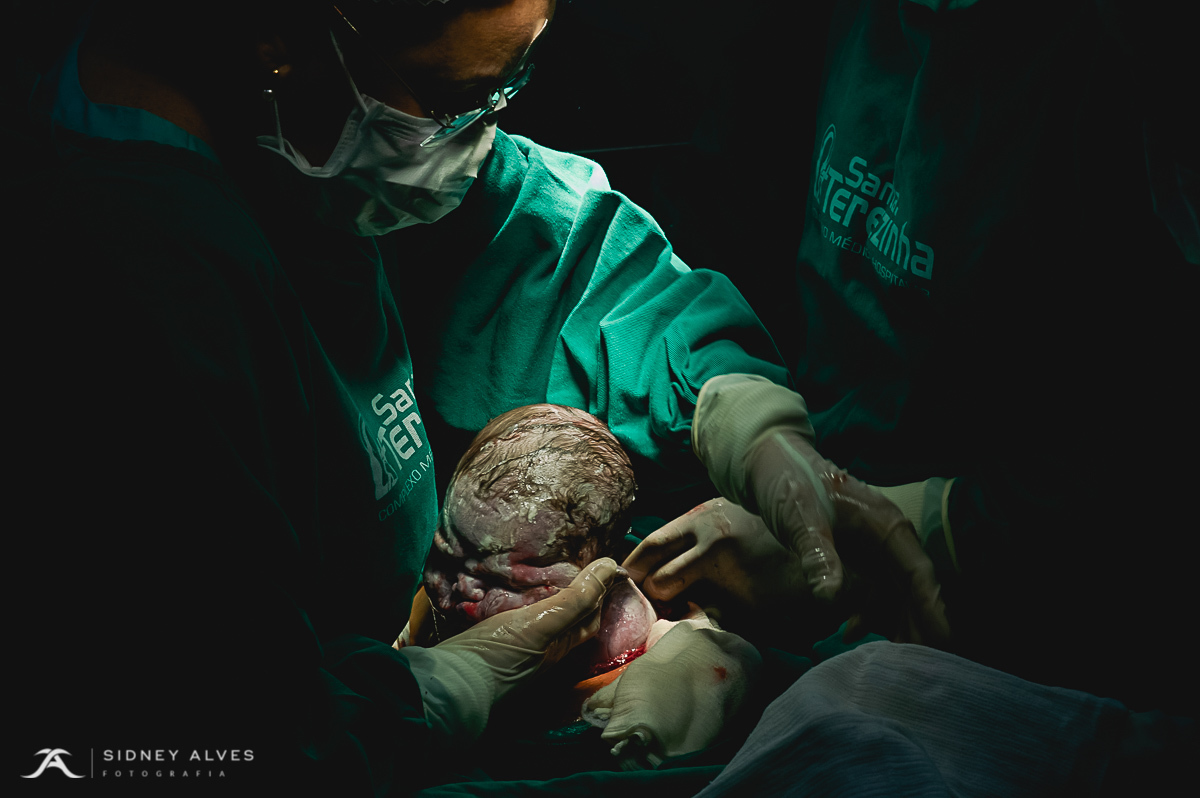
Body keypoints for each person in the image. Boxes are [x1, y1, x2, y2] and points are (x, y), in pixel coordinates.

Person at [5, 0, 901, 793]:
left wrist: (739, 409)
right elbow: (200, 741)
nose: (472, 140)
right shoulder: (119, 283)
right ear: (281, 33)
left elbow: (557, 253)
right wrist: (436, 694)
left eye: (503, 91)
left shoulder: (308, 144)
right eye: (447, 103)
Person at [624, 0, 1197, 721]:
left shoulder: (1132, 71)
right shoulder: (866, 26)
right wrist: (768, 444)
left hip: (1019, 619)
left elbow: (1149, 467)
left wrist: (914, 526)